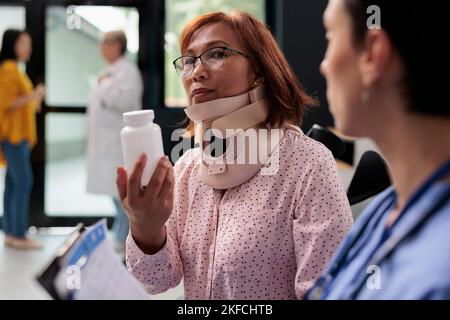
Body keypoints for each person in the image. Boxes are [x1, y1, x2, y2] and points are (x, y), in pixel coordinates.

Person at [117, 11, 353, 300]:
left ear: (257, 71)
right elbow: (156, 281)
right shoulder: (188, 168)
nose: (197, 72)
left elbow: (330, 294)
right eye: (189, 60)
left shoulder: (307, 164)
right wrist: (146, 228)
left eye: (217, 54)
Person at [306, 0, 450, 299]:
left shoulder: (437, 273)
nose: (325, 64)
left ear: (373, 53)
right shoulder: (385, 208)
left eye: (331, 36)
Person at [86, 30, 143, 247]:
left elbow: (124, 101)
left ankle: (124, 237)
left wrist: (105, 84)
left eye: (104, 43)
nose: (101, 47)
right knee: (115, 191)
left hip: (118, 142)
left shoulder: (127, 72)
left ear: (117, 45)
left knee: (122, 191)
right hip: (106, 142)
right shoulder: (110, 72)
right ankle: (121, 235)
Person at [0, 29, 45, 250]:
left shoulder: (15, 69)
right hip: (14, 137)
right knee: (23, 182)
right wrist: (34, 96)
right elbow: (6, 102)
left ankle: (10, 232)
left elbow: (19, 104)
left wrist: (32, 99)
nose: (28, 47)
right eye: (24, 43)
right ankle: (18, 234)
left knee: (13, 184)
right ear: (12, 44)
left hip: (16, 136)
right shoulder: (9, 69)